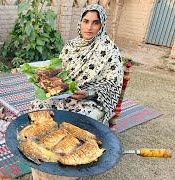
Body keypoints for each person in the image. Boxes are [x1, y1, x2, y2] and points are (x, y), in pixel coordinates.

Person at [30, 4, 123, 179]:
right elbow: (61, 72)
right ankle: (43, 144)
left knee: (78, 119)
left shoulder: (110, 50)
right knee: (39, 105)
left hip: (91, 99)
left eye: (95, 23)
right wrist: (45, 76)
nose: (89, 27)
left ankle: (67, 160)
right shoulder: (70, 46)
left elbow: (113, 85)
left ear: (101, 25)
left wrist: (89, 93)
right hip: (65, 94)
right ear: (79, 22)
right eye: (86, 21)